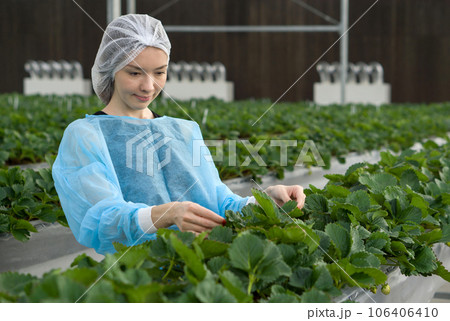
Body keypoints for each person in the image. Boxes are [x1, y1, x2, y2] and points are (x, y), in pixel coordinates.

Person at [52, 14, 306, 255]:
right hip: (138, 275)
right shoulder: (85, 136)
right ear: (111, 69)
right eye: (134, 72)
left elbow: (219, 203)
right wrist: (167, 214)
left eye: (159, 72)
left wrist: (264, 200)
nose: (149, 86)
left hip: (201, 268)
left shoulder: (184, 130)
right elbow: (101, 219)